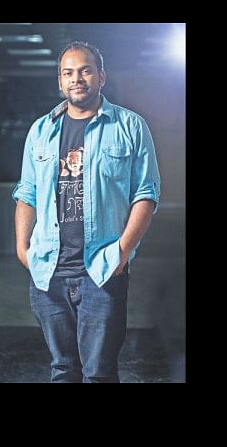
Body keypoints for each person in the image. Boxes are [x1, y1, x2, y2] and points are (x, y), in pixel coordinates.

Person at [12, 41, 160, 383]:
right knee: (62, 370)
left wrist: (122, 251)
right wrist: (23, 249)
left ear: (101, 76)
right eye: (68, 73)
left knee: (99, 373)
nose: (76, 79)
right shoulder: (40, 130)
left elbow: (146, 193)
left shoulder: (130, 126)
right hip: (48, 271)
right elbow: (26, 193)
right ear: (60, 82)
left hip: (102, 270)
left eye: (85, 71)